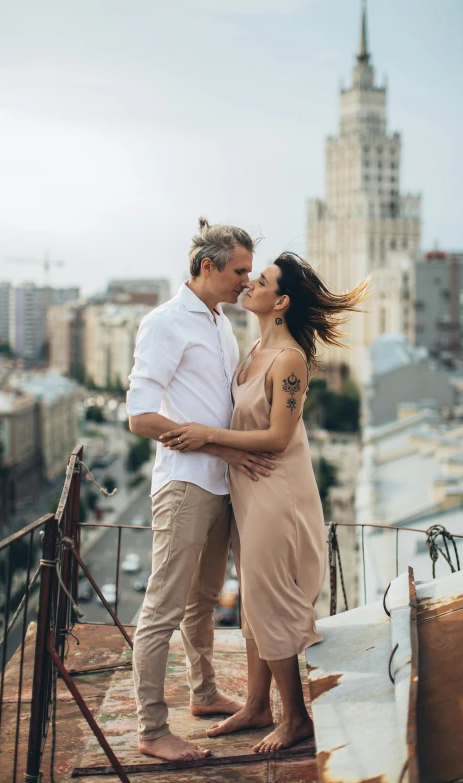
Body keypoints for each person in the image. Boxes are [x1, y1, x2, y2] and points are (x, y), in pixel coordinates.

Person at [160, 253, 368, 753]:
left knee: (271, 604)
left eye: (262, 280)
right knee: (254, 604)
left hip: (279, 496)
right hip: (248, 493)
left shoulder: (288, 359)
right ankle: (257, 707)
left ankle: (295, 718)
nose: (249, 283)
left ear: (282, 301)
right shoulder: (253, 349)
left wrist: (209, 435)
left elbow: (278, 437)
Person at [126, 217, 276, 762]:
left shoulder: (219, 322)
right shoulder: (165, 322)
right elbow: (139, 418)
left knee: (204, 601)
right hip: (186, 485)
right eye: (239, 270)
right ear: (207, 266)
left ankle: (204, 692)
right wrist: (221, 448)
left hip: (222, 485)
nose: (246, 280)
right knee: (162, 609)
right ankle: (149, 730)